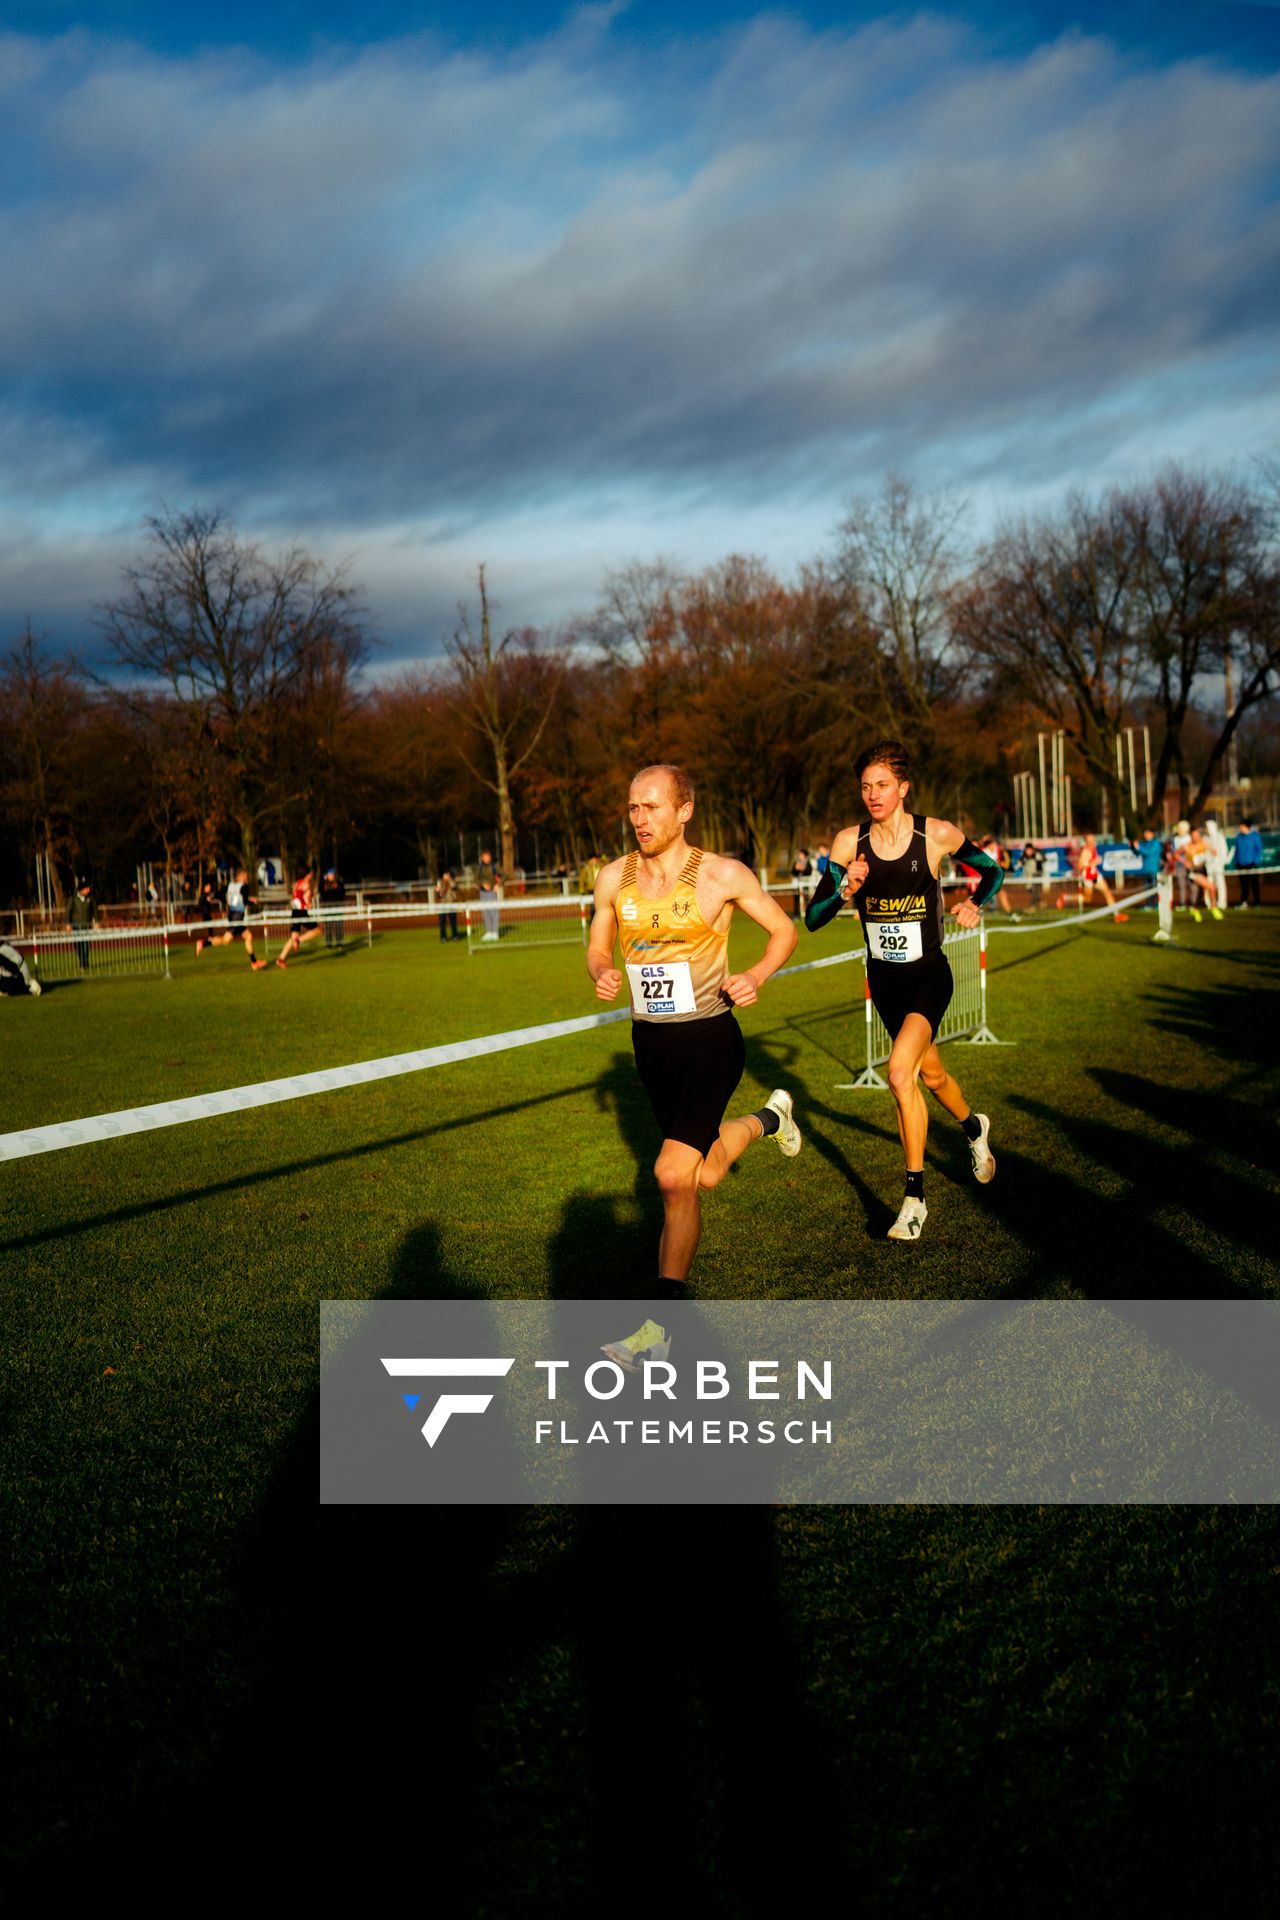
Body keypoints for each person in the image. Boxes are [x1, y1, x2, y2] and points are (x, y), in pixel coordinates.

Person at [586, 763, 801, 1363]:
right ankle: (769, 1120)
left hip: (711, 1039)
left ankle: (659, 1327)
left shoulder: (721, 875)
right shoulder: (613, 879)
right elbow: (599, 944)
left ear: (684, 810)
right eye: (633, 807)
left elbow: (784, 930)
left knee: (671, 1175)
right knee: (702, 1175)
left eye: (652, 807)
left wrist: (756, 974)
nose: (640, 819)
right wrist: (602, 969)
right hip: (651, 1045)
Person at [805, 740, 998, 1243]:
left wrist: (976, 902)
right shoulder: (849, 844)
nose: (873, 794)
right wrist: (846, 889)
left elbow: (994, 870)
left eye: (883, 785)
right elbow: (813, 916)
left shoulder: (933, 834)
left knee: (897, 1073)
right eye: (866, 786)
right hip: (884, 981)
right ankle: (974, 1127)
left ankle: (914, 1199)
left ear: (903, 787)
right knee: (929, 1074)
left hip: (929, 975)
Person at [1071, 834, 1128, 921]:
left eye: (1093, 840)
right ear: (1086, 842)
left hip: (1095, 876)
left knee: (1107, 892)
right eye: (1090, 841)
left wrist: (1094, 863)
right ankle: (1066, 898)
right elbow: (1079, 866)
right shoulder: (1085, 852)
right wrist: (1093, 863)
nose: (1093, 842)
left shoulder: (1093, 848)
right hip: (1088, 878)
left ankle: (1117, 915)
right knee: (1087, 899)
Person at [276, 869, 322, 969]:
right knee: (317, 931)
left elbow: (295, 896)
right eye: (311, 873)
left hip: (294, 911)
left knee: (293, 937)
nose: (312, 875)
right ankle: (299, 940)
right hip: (301, 912)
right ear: (308, 874)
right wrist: (307, 903)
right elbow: (304, 897)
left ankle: (281, 959)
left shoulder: (297, 883)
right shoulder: (306, 884)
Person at [224, 868, 268, 968]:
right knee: (226, 940)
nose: (246, 877)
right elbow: (244, 902)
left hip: (232, 915)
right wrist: (253, 902)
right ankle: (204, 943)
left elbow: (235, 898)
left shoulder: (231, 885)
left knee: (248, 936)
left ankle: (254, 962)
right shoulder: (244, 887)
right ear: (240, 876)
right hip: (237, 917)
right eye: (245, 875)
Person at [1232, 818, 1264, 908]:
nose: (1240, 828)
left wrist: (1255, 862)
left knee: (1254, 884)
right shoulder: (1238, 837)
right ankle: (1244, 902)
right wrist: (1237, 862)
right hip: (1241, 865)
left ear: (1247, 827)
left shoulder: (1255, 836)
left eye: (1242, 826)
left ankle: (1257, 903)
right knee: (1243, 885)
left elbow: (1259, 850)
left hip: (1252, 864)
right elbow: (1236, 851)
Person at [67, 876, 94, 971]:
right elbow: (68, 912)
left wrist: (96, 921)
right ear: (82, 889)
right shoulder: (73, 899)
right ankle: (82, 962)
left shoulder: (90, 898)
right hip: (76, 926)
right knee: (78, 945)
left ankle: (85, 962)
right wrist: (68, 924)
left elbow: (94, 910)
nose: (89, 890)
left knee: (86, 945)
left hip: (86, 926)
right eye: (87, 888)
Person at [477, 851, 502, 941]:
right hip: (483, 893)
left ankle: (495, 932)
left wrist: (498, 885)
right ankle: (489, 932)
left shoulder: (495, 866)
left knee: (493, 912)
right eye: (485, 857)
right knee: (486, 913)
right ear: (482, 858)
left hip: (492, 892)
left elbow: (504, 876)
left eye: (488, 857)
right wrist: (482, 884)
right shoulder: (480, 867)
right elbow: (476, 879)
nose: (486, 858)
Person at [319, 866, 347, 946]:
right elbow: (322, 894)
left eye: (332, 874)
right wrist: (329, 889)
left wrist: (336, 889)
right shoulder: (323, 884)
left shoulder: (339, 883)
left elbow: (342, 894)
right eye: (329, 874)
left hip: (337, 906)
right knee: (328, 925)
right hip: (327, 907)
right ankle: (328, 943)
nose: (330, 876)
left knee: (338, 925)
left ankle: (339, 942)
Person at [436, 869, 463, 941]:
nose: (446, 876)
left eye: (448, 874)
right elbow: (439, 893)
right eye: (445, 875)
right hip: (442, 904)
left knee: (453, 921)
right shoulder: (440, 882)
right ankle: (443, 937)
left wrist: (449, 880)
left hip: (451, 903)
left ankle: (455, 935)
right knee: (442, 921)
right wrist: (438, 890)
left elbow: (454, 886)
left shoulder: (452, 881)